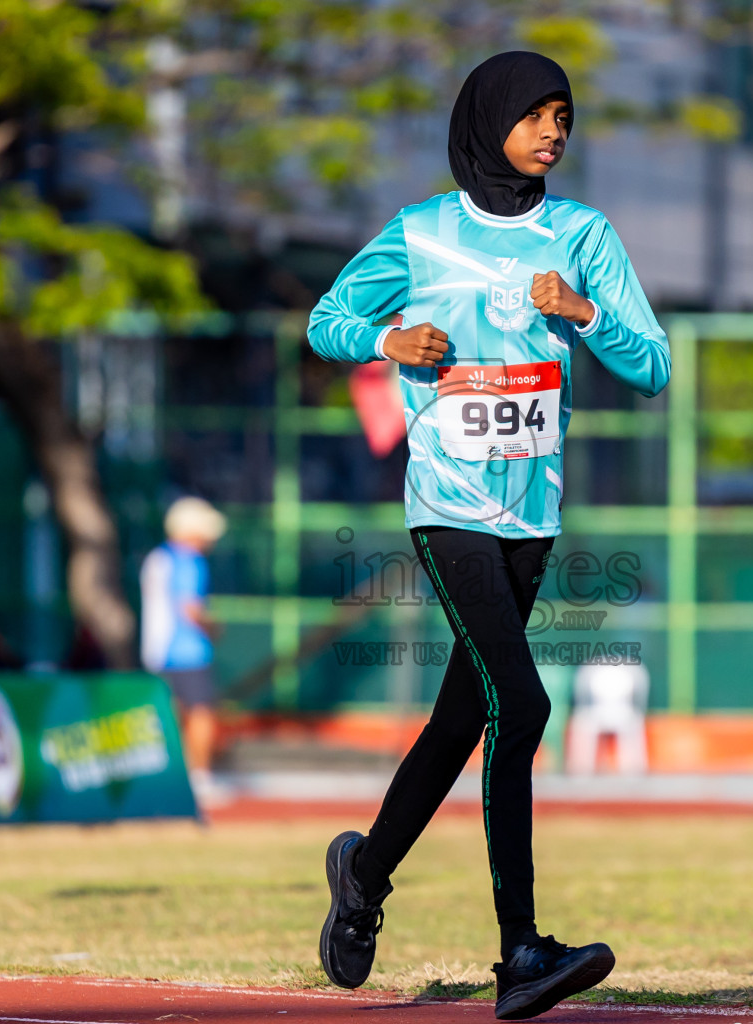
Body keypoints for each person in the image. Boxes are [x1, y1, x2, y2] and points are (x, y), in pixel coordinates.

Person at [306, 52, 670, 1020]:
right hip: (448, 504)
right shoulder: (423, 233)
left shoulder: (584, 236)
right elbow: (328, 318)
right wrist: (388, 342)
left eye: (565, 116)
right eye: (537, 115)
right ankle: (521, 951)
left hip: (531, 517)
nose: (554, 131)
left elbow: (653, 363)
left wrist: (582, 311)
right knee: (524, 701)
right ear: (491, 120)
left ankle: (365, 872)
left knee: (465, 718)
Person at [140, 496, 227, 802]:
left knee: (170, 718)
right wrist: (214, 627)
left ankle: (170, 782)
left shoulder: (157, 557)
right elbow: (191, 608)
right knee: (201, 715)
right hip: (188, 652)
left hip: (157, 652)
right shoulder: (190, 560)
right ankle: (199, 780)